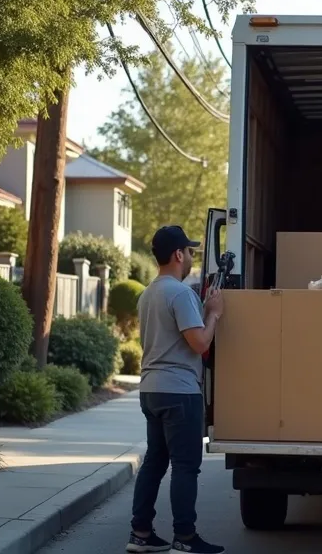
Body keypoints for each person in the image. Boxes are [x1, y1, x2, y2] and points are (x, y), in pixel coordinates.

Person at [127, 225, 225, 554]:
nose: (192, 259)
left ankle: (140, 534)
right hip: (180, 391)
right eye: (191, 252)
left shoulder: (148, 293)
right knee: (185, 466)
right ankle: (184, 537)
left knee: (155, 462)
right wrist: (212, 314)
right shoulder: (180, 294)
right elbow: (199, 343)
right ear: (177, 254)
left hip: (151, 390)